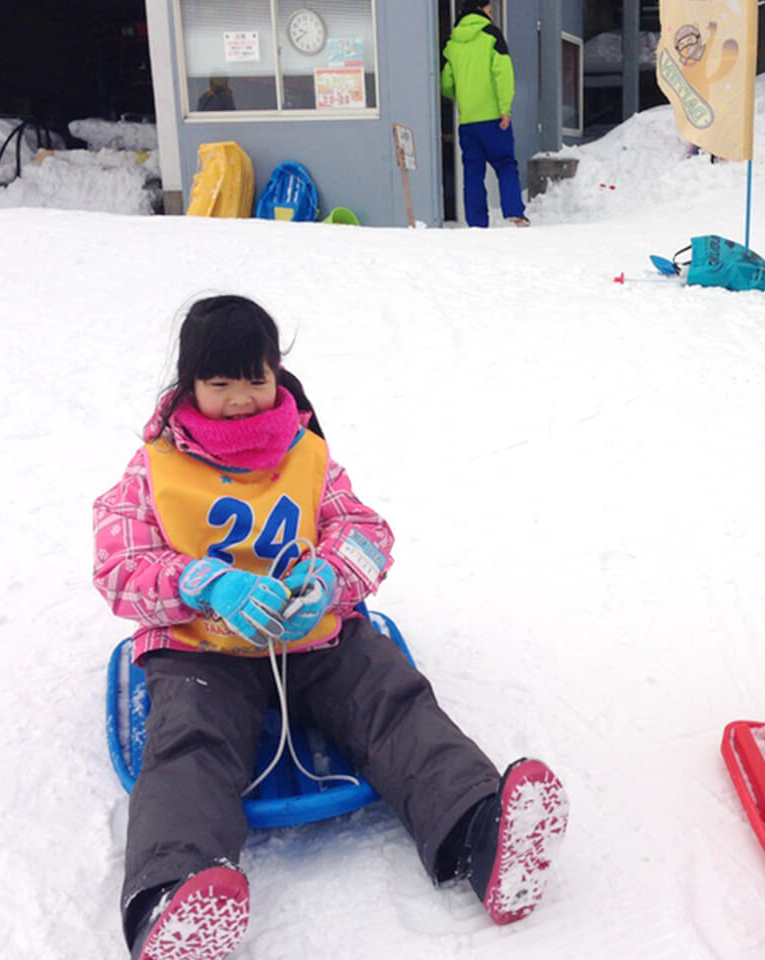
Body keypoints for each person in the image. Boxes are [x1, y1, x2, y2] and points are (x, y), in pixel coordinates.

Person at [93, 295, 568, 960]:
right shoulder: (154, 471)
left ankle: (481, 832)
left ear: (276, 373)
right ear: (189, 385)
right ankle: (171, 897)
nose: (240, 400)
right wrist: (202, 583)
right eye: (220, 383)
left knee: (391, 702)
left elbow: (366, 531)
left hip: (312, 633)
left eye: (254, 379)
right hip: (204, 646)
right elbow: (118, 565)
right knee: (190, 745)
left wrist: (331, 581)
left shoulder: (305, 452)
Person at [440, 1, 529, 227]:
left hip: (468, 122)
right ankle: (514, 212)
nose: (491, 13)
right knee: (506, 165)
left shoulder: (452, 43)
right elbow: (503, 74)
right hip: (494, 119)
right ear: (481, 8)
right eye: (490, 9)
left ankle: (477, 223)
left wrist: (463, 97)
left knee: (473, 174)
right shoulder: (491, 35)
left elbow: (446, 83)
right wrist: (504, 109)